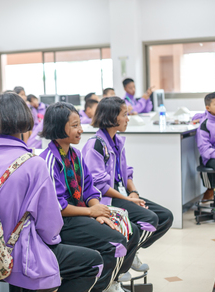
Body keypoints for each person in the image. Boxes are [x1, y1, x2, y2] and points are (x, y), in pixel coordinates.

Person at [0, 93, 103, 292]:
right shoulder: (33, 163)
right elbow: (50, 226)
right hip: (24, 258)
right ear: (26, 119)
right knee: (93, 262)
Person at [39, 102, 140, 292]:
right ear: (59, 127)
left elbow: (89, 189)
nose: (81, 130)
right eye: (75, 125)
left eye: (79, 124)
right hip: (64, 221)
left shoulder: (76, 155)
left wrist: (98, 211)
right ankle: (101, 287)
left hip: (81, 212)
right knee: (116, 244)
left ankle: (112, 282)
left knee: (131, 231)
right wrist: (90, 211)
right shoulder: (49, 161)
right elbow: (58, 207)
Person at [82, 97, 173, 282]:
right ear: (112, 117)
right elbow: (99, 186)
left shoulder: (117, 142)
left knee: (165, 216)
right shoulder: (95, 145)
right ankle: (122, 264)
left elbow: (126, 172)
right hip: (106, 198)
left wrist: (134, 193)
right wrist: (128, 200)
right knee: (149, 218)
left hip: (122, 194)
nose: (128, 118)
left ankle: (131, 252)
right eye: (125, 114)